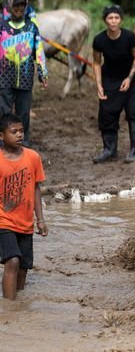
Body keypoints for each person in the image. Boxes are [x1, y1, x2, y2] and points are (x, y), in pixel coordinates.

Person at [0, 114, 47, 300]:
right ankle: (10, 310)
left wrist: (40, 219)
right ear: (2, 136)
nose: (19, 135)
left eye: (21, 131)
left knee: (23, 268)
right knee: (12, 261)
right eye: (14, 132)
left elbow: (36, 187)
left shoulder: (33, 157)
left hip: (26, 223)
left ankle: (18, 305)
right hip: (4, 220)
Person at [91, 5, 135, 164]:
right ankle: (109, 150)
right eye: (110, 18)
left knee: (133, 112)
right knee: (107, 113)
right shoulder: (99, 40)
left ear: (121, 19)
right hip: (109, 78)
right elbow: (97, 63)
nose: (113, 21)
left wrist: (129, 77)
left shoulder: (129, 37)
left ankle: (134, 151)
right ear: (105, 20)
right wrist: (99, 84)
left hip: (130, 77)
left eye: (116, 18)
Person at [0, 0, 48, 147]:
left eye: (22, 5)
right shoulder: (2, 27)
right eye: (16, 5)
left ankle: (23, 143)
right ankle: (3, 144)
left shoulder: (31, 28)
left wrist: (42, 73)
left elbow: (38, 51)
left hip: (25, 78)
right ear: (9, 6)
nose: (19, 8)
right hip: (4, 77)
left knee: (23, 114)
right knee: (4, 112)